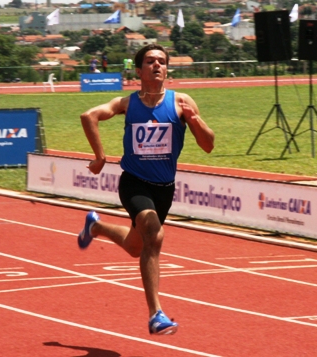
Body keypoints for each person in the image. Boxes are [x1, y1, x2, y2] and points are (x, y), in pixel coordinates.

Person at [78, 44, 215, 335]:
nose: (157, 65)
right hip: (134, 182)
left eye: (162, 62)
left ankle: (96, 227)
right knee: (154, 233)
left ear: (167, 69)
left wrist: (195, 120)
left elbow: (208, 145)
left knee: (135, 246)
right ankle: (156, 314)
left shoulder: (181, 102)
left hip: (164, 189)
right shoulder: (127, 103)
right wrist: (100, 157)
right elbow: (88, 115)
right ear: (139, 71)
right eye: (150, 61)